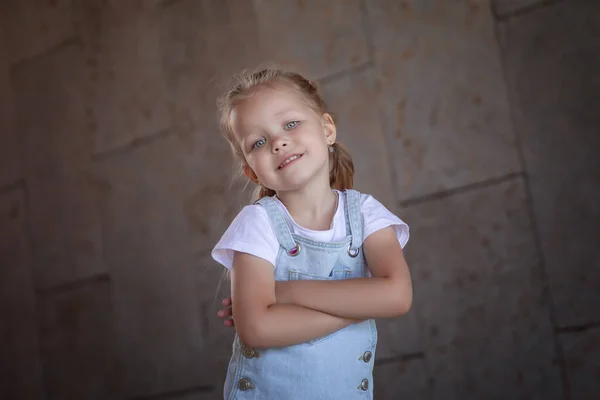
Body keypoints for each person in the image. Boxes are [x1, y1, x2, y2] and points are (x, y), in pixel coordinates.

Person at [211, 65, 413, 400]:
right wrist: (363, 304)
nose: (279, 142)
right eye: (258, 141)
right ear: (251, 172)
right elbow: (259, 328)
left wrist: (284, 293)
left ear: (327, 128)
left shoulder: (366, 214)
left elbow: (397, 296)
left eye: (290, 124)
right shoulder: (256, 225)